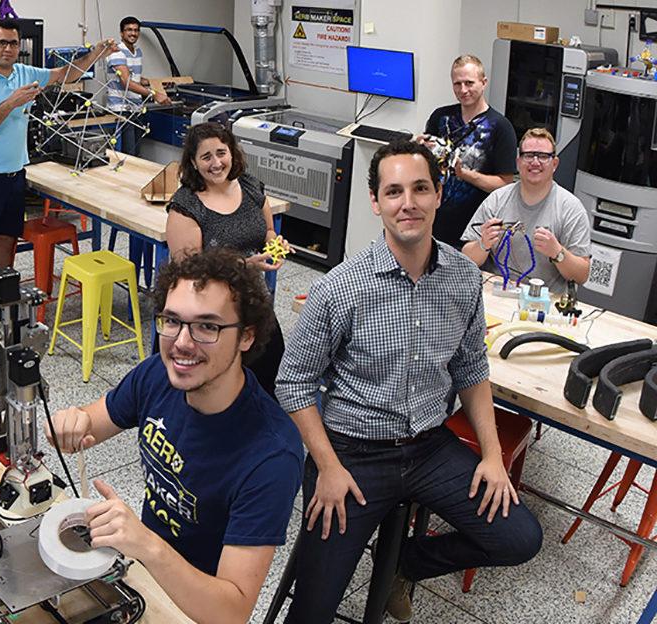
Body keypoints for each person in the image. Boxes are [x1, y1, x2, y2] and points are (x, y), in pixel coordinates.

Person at [275, 140, 542, 624]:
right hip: (351, 453)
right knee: (312, 612)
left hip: (428, 446)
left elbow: (470, 368)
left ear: (439, 194)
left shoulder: (462, 278)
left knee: (520, 537)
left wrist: (490, 456)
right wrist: (328, 468)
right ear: (375, 203)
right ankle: (367, 557)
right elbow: (293, 385)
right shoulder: (341, 288)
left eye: (420, 188)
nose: (408, 202)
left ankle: (402, 561)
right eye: (393, 191)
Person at [46, 247, 303, 624]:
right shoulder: (156, 375)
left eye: (207, 326)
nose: (182, 342)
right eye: (172, 321)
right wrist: (72, 423)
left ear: (246, 336)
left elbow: (232, 611)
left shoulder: (271, 455)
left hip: (198, 608)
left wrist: (147, 545)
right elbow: (90, 422)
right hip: (143, 578)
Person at [0, 18, 116, 296]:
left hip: (15, 173)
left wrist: (96, 54)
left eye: (13, 43)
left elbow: (65, 74)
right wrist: (11, 102)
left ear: (19, 46)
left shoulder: (24, 72)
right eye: (1, 43)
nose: (7, 49)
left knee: (7, 242)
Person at [165, 122, 289, 398]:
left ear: (232, 153)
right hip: (208, 313)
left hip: (253, 301)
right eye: (206, 157)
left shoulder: (250, 187)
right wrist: (246, 266)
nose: (216, 163)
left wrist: (274, 244)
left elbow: (267, 230)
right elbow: (190, 273)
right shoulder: (186, 205)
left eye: (221, 153)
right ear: (194, 163)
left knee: (269, 375)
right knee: (221, 385)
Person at [461, 127, 591, 294]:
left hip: (543, 303)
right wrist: (483, 244)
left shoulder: (571, 209)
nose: (535, 162)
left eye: (543, 156)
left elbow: (582, 275)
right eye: (528, 155)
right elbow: (466, 259)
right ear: (518, 162)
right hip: (496, 296)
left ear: (555, 164)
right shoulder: (497, 200)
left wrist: (557, 253)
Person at [418, 54, 515, 249]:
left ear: (483, 82)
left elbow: (505, 185)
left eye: (469, 83)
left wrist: (465, 175)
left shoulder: (500, 127)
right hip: (431, 223)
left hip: (472, 231)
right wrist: (418, 150)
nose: (463, 90)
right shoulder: (441, 117)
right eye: (457, 84)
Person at [106, 16, 171, 156]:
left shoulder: (137, 52)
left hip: (136, 108)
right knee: (127, 156)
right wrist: (155, 94)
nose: (133, 33)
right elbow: (126, 82)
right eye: (129, 30)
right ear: (121, 33)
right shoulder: (116, 52)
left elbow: (134, 78)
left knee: (136, 153)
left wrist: (153, 82)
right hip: (122, 110)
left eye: (136, 30)